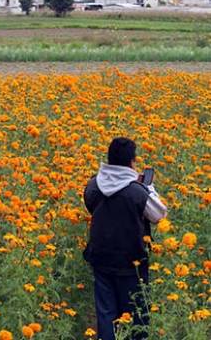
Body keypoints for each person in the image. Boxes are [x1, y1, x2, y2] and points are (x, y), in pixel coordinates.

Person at [83, 137, 167, 340]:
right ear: (132, 162)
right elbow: (159, 215)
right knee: (136, 316)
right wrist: (149, 188)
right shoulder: (137, 192)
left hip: (101, 259)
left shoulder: (94, 185)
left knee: (106, 314)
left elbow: (90, 205)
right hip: (132, 263)